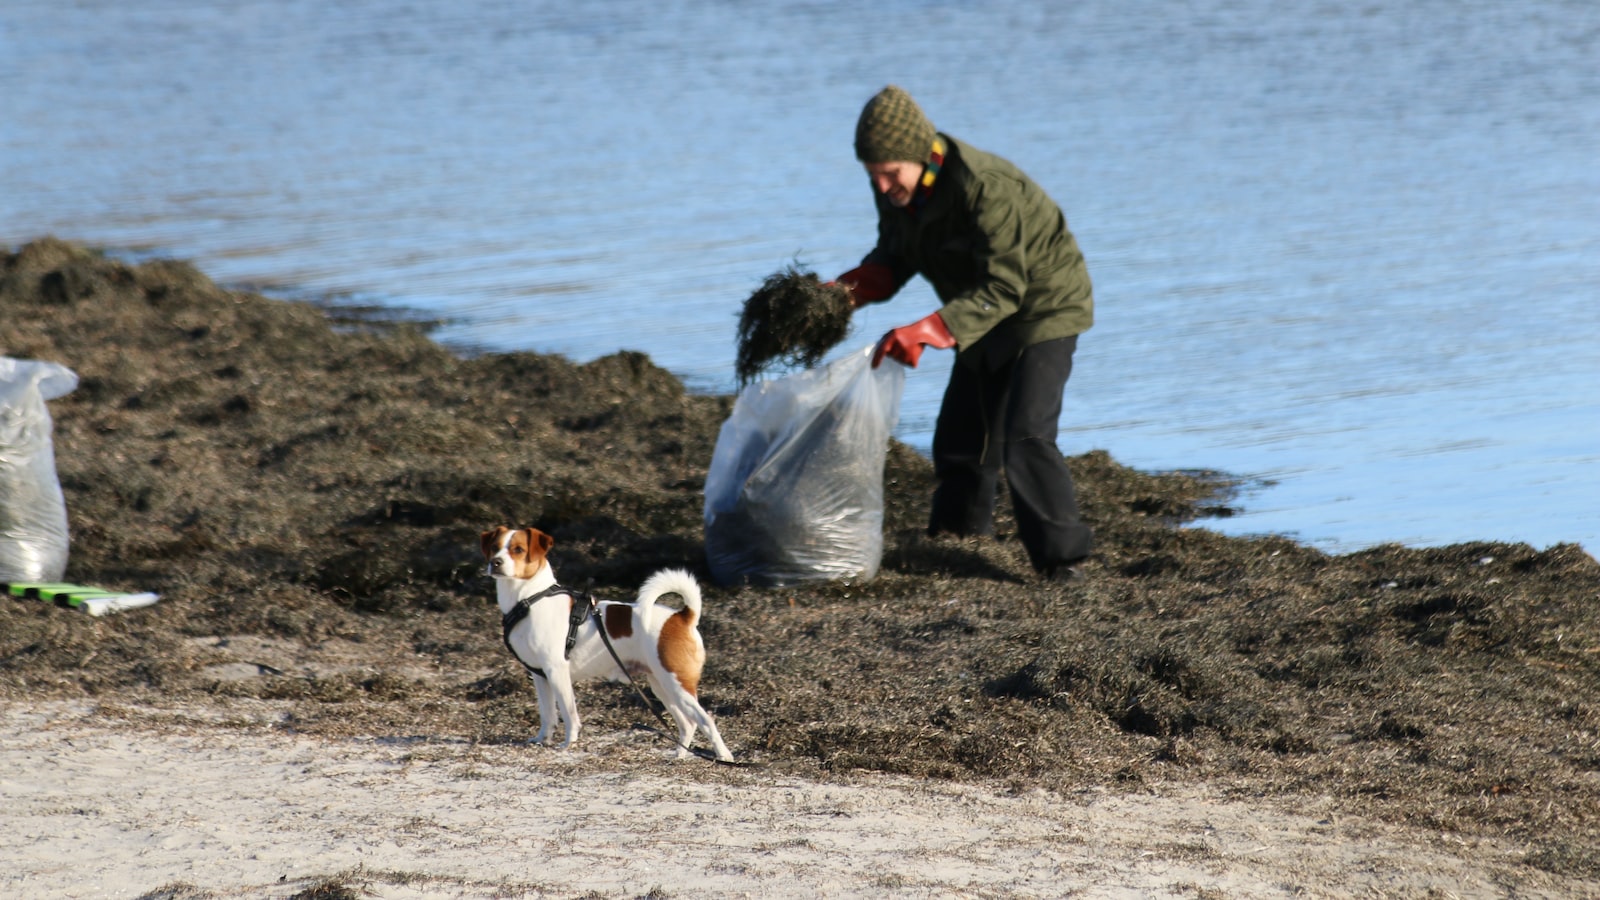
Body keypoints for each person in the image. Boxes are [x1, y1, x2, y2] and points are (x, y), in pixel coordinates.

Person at [834, 84, 1095, 582]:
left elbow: (1006, 284)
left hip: (1044, 305)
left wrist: (932, 329)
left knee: (1025, 432)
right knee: (961, 434)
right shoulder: (898, 186)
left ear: (919, 154)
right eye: (873, 174)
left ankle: (1063, 562)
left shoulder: (984, 186)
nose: (883, 185)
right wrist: (844, 292)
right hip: (980, 305)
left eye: (890, 172)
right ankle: (959, 536)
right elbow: (895, 253)